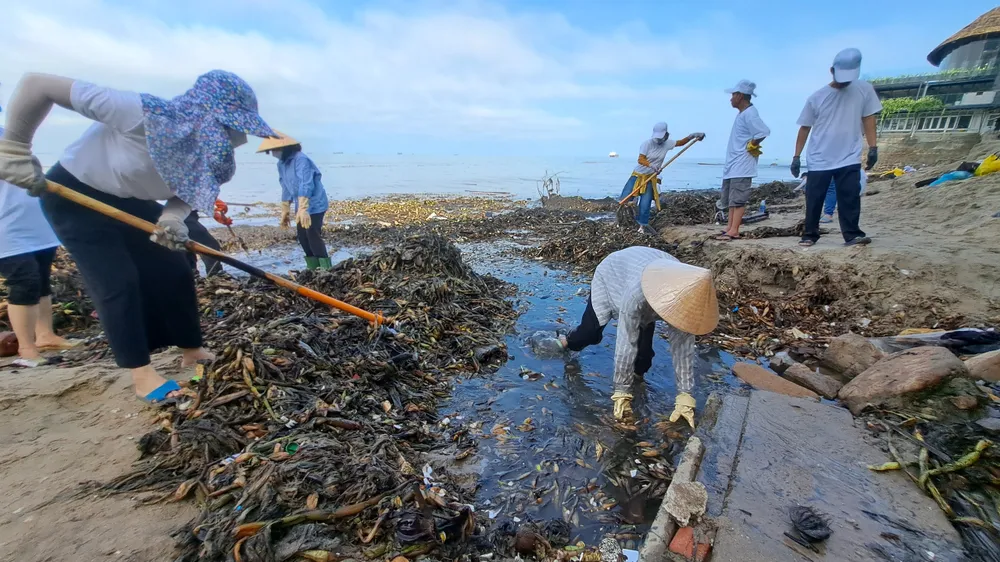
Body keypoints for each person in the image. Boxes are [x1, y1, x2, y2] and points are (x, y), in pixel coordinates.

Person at [0, 70, 274, 403]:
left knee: (173, 267)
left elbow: (185, 193)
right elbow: (36, 84)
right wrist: (14, 148)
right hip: (74, 191)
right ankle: (141, 373)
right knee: (117, 279)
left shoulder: (217, 160)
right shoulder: (139, 112)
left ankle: (192, 349)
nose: (234, 135)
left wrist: (172, 219)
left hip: (130, 200)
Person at [557, 246, 719, 426]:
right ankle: (566, 341)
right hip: (614, 273)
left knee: (643, 359)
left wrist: (685, 394)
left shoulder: (686, 293)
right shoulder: (637, 294)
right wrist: (621, 391)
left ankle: (637, 382)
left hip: (651, 279)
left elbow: (683, 347)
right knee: (590, 334)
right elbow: (626, 340)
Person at [0, 124, 74, 368]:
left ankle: (46, 336)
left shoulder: (8, 133)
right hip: (6, 226)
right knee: (24, 281)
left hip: (35, 221)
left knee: (42, 280)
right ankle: (26, 347)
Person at [790, 48, 881, 247]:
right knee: (815, 198)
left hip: (849, 154)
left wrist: (873, 147)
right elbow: (804, 127)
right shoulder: (817, 97)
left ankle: (852, 234)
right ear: (832, 70)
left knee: (849, 196)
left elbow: (869, 118)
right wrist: (796, 156)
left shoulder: (864, 90)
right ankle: (810, 234)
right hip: (819, 156)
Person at [257, 132, 331, 270]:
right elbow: (285, 185)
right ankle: (313, 268)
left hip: (314, 203)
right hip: (300, 204)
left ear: (285, 148)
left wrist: (304, 208)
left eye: (275, 150)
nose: (274, 153)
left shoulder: (301, 159)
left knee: (312, 234)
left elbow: (306, 183)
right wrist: (285, 209)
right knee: (302, 237)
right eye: (272, 150)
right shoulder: (281, 164)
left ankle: (326, 269)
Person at [620, 123, 704, 235]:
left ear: (666, 135)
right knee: (625, 198)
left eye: (661, 137)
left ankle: (642, 226)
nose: (659, 140)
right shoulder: (647, 144)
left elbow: (680, 143)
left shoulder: (667, 143)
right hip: (638, 175)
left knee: (645, 203)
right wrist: (651, 165)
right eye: (657, 137)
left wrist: (692, 136)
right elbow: (641, 159)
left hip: (650, 178)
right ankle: (623, 222)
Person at [717, 80, 770, 241]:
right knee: (732, 199)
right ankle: (729, 228)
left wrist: (752, 145)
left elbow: (763, 131)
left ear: (740, 96)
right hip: (734, 164)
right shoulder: (743, 114)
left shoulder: (750, 113)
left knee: (738, 198)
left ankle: (734, 230)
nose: (731, 98)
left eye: (733, 95)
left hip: (742, 164)